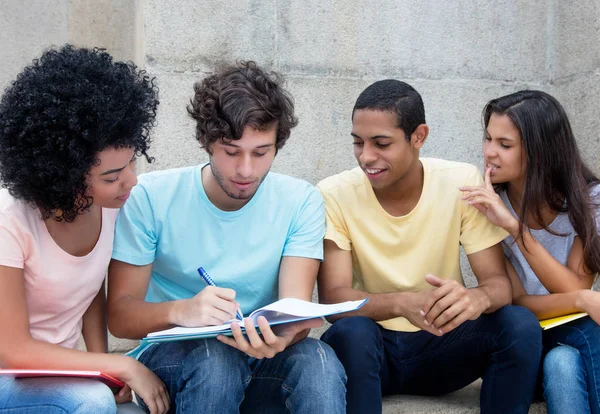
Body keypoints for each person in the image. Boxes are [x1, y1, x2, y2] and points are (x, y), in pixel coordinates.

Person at [106, 61, 346, 413]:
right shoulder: (151, 197)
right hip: (177, 360)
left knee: (318, 359)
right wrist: (184, 310)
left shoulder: (300, 200)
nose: (246, 170)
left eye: (261, 153)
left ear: (277, 145)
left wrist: (283, 336)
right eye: (232, 152)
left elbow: (292, 310)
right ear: (206, 143)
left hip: (259, 359)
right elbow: (120, 317)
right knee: (215, 357)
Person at [317, 79, 543, 414]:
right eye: (358, 142)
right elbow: (333, 299)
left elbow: (499, 286)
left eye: (381, 143)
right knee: (351, 332)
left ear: (419, 136)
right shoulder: (334, 192)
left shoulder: (460, 182)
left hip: (443, 345)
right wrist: (403, 303)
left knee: (520, 324)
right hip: (371, 352)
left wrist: (474, 299)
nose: (367, 156)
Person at [0, 45, 169, 413]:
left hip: (55, 374)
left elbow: (88, 289)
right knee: (92, 404)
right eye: (112, 176)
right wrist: (119, 365)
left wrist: (103, 368)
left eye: (130, 164)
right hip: (7, 374)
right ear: (63, 176)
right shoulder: (8, 221)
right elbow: (12, 348)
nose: (131, 181)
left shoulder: (108, 207)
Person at [461, 90, 600, 414]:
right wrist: (512, 226)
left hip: (570, 346)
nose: (489, 153)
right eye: (488, 139)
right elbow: (518, 304)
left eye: (504, 145)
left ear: (540, 152)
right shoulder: (489, 208)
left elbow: (570, 286)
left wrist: (580, 297)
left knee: (562, 363)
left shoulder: (588, 201)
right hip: (521, 349)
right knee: (586, 328)